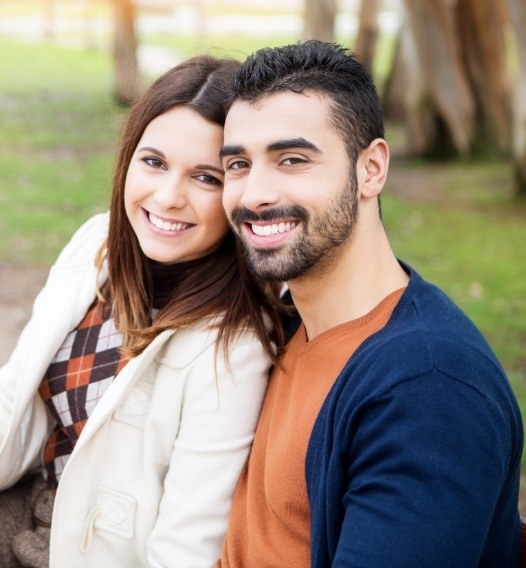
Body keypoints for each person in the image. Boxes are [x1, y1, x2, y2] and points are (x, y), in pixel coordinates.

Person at [217, 40, 523, 567]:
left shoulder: (429, 390)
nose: (253, 194)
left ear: (372, 169)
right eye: (238, 164)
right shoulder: (285, 323)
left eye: (292, 160)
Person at [0, 55, 283, 567]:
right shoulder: (99, 244)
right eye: (153, 162)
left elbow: (187, 545)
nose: (168, 197)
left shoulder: (234, 345)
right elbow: (15, 398)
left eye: (206, 177)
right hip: (20, 516)